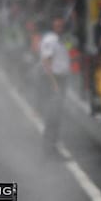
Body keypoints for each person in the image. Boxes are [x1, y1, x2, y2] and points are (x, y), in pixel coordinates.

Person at [38, 16, 73, 151]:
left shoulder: (62, 39)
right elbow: (47, 62)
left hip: (62, 79)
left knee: (58, 112)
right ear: (52, 23)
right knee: (52, 113)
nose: (59, 25)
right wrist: (53, 83)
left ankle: (53, 142)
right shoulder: (50, 40)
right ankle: (48, 144)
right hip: (54, 79)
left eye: (61, 22)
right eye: (57, 22)